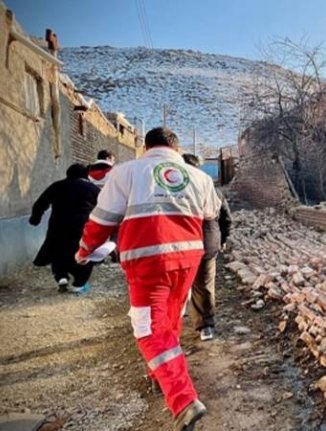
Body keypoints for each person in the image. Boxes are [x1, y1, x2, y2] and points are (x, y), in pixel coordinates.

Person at [75, 127, 220, 430]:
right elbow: (211, 214)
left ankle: (183, 400)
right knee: (167, 322)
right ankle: (161, 376)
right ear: (177, 150)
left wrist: (84, 251)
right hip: (187, 260)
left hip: (147, 261)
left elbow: (102, 220)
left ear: (145, 147)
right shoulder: (200, 177)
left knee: (149, 330)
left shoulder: (127, 172)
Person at [182, 153, 232, 341]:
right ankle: (205, 326)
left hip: (179, 243)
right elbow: (226, 219)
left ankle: (174, 317)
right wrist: (223, 239)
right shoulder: (213, 190)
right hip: (206, 242)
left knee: (178, 281)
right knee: (204, 284)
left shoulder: (172, 190)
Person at [30, 163, 100, 293]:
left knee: (59, 252)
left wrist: (35, 218)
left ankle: (61, 277)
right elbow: (104, 207)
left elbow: (40, 203)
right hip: (82, 227)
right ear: (84, 174)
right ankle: (79, 284)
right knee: (82, 254)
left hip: (58, 226)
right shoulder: (92, 188)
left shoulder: (57, 186)